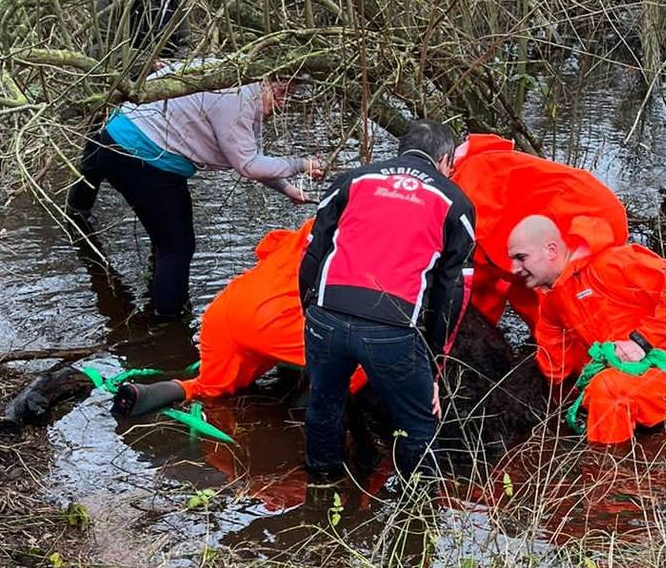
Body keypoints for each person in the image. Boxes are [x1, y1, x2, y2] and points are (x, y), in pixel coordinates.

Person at [66, 61, 325, 317]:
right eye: (280, 93)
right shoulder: (237, 96)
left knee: (165, 237)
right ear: (264, 79)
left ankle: (75, 219)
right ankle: (168, 325)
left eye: (288, 96)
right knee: (177, 247)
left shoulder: (231, 75)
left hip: (116, 136)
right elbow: (249, 165)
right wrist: (301, 164)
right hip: (141, 154)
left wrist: (288, 189)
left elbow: (250, 158)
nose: (281, 104)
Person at [299, 119, 476, 482]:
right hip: (392, 327)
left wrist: (311, 313)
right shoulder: (455, 202)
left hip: (327, 315)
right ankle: (418, 513)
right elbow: (452, 291)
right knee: (418, 420)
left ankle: (322, 486)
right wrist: (436, 362)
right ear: (444, 160)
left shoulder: (351, 181)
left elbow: (313, 256)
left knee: (324, 401)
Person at [108, 219, 367, 417]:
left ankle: (148, 393)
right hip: (278, 322)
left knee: (209, 386)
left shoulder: (315, 223)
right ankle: (307, 411)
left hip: (228, 310)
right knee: (364, 357)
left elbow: (266, 248)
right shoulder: (364, 240)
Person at [506, 215, 666, 444]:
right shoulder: (551, 300)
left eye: (521, 258)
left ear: (551, 250)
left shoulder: (614, 263)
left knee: (608, 391)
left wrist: (641, 342)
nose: (515, 268)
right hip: (614, 373)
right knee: (592, 394)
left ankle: (607, 473)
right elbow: (554, 363)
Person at [450, 134, 628, 328]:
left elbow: (471, 274)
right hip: (593, 207)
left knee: (570, 304)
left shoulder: (462, 192)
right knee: (536, 292)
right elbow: (488, 278)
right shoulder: (485, 165)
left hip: (581, 217)